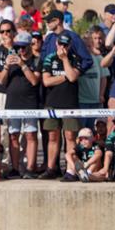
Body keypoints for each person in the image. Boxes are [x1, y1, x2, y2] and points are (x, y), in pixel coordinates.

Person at [41, 32, 82, 180]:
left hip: (70, 103)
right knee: (52, 136)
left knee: (70, 136)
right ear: (56, 44)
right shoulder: (49, 58)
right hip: (52, 102)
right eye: (60, 44)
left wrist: (65, 59)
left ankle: (70, 169)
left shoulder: (75, 58)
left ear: (70, 46)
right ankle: (51, 168)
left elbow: (72, 77)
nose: (62, 47)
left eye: (65, 45)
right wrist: (64, 76)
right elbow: (46, 81)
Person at [1, 31, 41, 178]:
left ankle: (30, 168)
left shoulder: (36, 61)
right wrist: (6, 66)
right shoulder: (11, 59)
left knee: (31, 135)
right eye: (18, 47)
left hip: (29, 103)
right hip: (12, 103)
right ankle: (15, 168)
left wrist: (22, 64)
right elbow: (1, 81)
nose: (21, 50)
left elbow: (34, 81)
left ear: (30, 45)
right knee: (13, 136)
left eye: (24, 47)